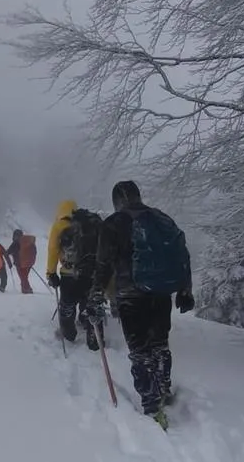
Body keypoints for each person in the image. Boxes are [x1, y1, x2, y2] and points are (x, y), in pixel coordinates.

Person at [87, 180, 195, 426]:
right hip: (160, 293)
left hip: (130, 296)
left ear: (117, 200)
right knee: (159, 343)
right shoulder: (161, 219)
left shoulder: (113, 224)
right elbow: (182, 255)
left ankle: (152, 406)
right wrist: (185, 290)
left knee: (140, 351)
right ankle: (164, 387)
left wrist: (95, 295)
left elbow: (103, 265)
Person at [46, 200, 104, 350]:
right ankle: (94, 338)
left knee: (67, 306)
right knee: (90, 304)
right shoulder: (91, 224)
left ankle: (69, 334)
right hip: (91, 274)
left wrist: (51, 273)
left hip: (69, 274)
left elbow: (53, 250)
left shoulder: (59, 226)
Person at [7, 229, 37, 294]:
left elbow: (8, 252)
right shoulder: (27, 242)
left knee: (23, 277)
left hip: (19, 263)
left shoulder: (15, 243)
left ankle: (26, 289)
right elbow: (34, 251)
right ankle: (26, 288)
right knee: (24, 277)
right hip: (28, 263)